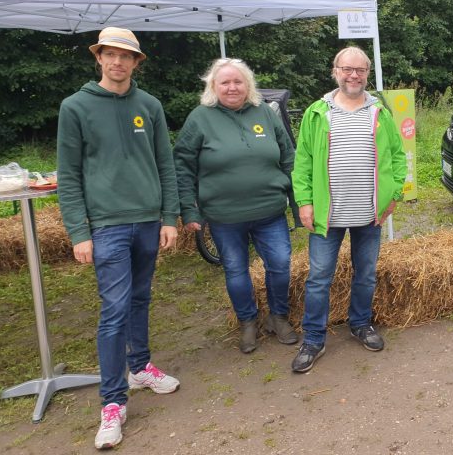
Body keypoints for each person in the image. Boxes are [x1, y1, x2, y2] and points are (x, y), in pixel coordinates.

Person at [57, 27, 180, 450]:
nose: (117, 62)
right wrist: (78, 231)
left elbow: (165, 164)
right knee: (114, 309)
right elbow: (68, 175)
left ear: (136, 62)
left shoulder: (150, 105)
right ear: (99, 59)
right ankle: (112, 402)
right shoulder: (76, 107)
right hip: (106, 226)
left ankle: (141, 366)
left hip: (149, 222)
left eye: (126, 56)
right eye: (110, 54)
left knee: (141, 298)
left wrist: (169, 217)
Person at [290, 46, 407, 373]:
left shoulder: (379, 113)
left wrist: (394, 193)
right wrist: (304, 201)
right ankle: (313, 339)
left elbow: (397, 158)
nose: (353, 75)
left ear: (367, 74)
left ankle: (360, 324)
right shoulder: (317, 112)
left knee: (366, 274)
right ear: (335, 71)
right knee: (319, 278)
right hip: (328, 214)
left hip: (370, 213)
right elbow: (302, 162)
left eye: (360, 70)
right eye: (346, 69)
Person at [173, 58, 297, 354]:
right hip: (224, 216)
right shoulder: (200, 118)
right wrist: (189, 211)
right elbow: (182, 166)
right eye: (225, 82)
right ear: (213, 86)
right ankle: (248, 321)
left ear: (248, 85)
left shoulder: (266, 114)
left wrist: (299, 203)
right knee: (235, 269)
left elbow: (288, 157)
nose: (232, 87)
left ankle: (278, 317)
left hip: (270, 211)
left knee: (280, 264)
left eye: (238, 81)